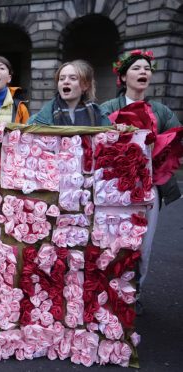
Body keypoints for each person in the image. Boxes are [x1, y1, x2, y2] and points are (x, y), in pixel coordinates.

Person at [101, 50, 182, 295]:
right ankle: (107, 292)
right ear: (123, 77)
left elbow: (177, 141)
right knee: (111, 242)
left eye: (146, 69)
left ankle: (134, 294)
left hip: (149, 187)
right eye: (136, 68)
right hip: (114, 188)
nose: (143, 72)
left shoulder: (161, 111)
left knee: (143, 246)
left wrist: (162, 148)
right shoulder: (107, 108)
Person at [28, 59, 110, 126]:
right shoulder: (37, 120)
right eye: (62, 79)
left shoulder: (99, 116)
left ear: (85, 85)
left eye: (73, 78)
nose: (66, 82)